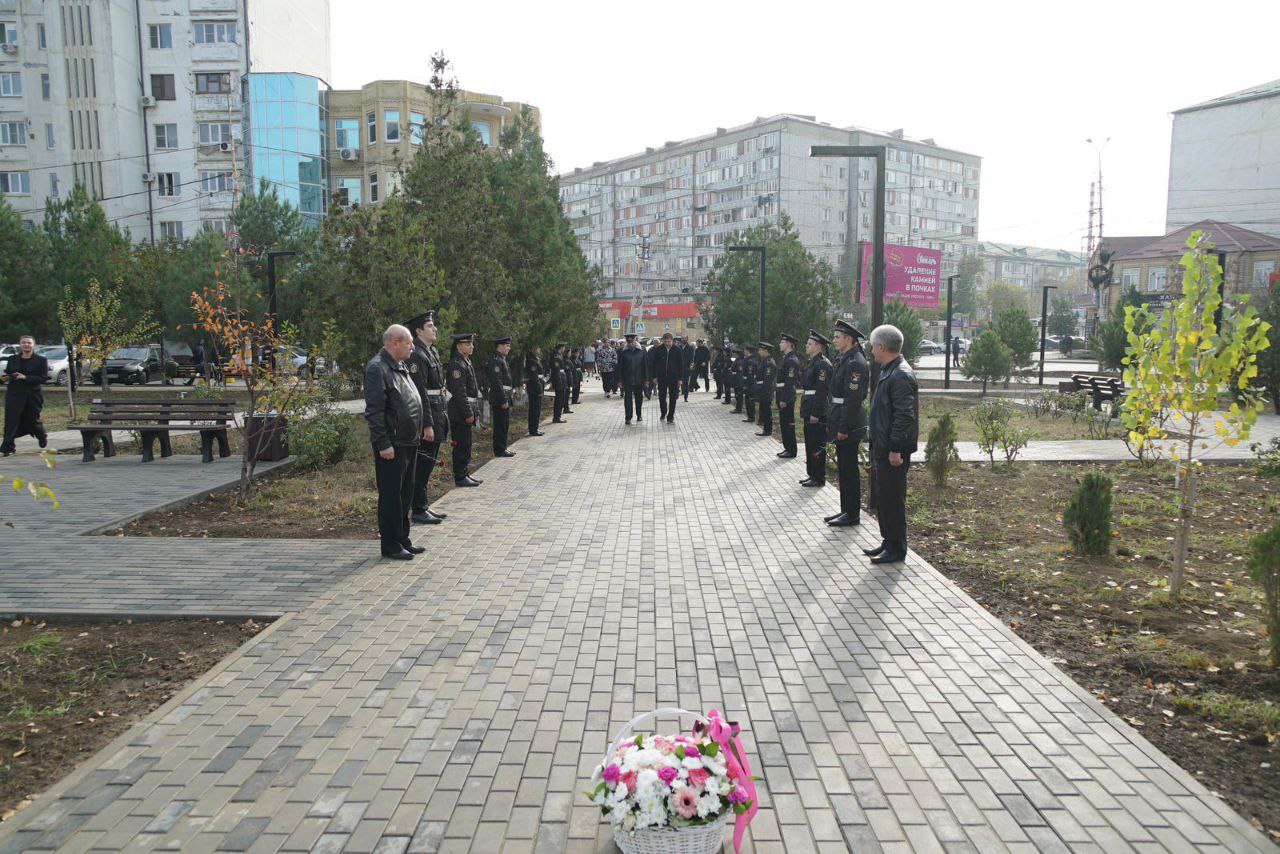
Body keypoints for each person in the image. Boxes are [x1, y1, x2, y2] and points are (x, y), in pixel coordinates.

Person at [363, 325, 425, 560]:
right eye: (409, 343)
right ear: (395, 343)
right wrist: (383, 443)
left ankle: (402, 539)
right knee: (391, 495)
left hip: (408, 440)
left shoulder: (398, 365)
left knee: (405, 494)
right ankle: (390, 544)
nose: (412, 347)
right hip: (393, 443)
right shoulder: (377, 368)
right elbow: (375, 411)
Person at [865, 324, 919, 563]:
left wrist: (896, 448)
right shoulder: (890, 370)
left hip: (893, 451)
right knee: (884, 498)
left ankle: (896, 548)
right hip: (884, 447)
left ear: (881, 347)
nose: (871, 351)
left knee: (893, 499)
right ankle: (888, 542)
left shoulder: (900, 375)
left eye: (872, 346)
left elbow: (904, 416)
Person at [405, 311, 450, 526]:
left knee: (428, 463)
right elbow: (420, 393)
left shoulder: (430, 352)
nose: (435, 329)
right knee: (422, 464)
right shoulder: (416, 355)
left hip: (437, 412)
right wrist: (427, 424)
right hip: (428, 416)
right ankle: (418, 509)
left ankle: (423, 505)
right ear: (418, 331)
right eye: (430, 326)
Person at [824, 319, 870, 528]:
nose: (833, 340)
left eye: (837, 337)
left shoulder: (855, 363)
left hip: (849, 423)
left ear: (849, 339)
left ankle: (852, 514)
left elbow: (852, 399)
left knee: (849, 471)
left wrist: (843, 427)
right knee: (844, 469)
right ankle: (846, 510)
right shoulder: (845, 359)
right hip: (840, 417)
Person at [1, 336, 49, 456]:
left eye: (29, 343)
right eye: (23, 343)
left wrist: (25, 377)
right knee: (11, 421)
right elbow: (8, 373)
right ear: (20, 345)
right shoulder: (12, 359)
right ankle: (8, 447)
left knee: (32, 420)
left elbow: (43, 378)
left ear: (33, 345)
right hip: (14, 394)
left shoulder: (41, 360)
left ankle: (41, 435)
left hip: (33, 395)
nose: (26, 345)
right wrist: (5, 378)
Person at [447, 333, 483, 487]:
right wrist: (468, 413)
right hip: (459, 412)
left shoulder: (465, 362)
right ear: (458, 346)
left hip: (466, 409)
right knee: (461, 445)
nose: (471, 346)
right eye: (468, 344)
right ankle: (460, 476)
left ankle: (465, 473)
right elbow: (459, 392)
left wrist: (475, 412)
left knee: (466, 444)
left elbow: (472, 392)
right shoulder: (457, 364)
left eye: (471, 344)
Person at [799, 330, 833, 488]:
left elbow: (821, 390)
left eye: (809, 344)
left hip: (816, 409)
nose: (806, 346)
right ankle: (812, 474)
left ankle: (818, 477)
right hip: (809, 405)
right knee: (810, 443)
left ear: (818, 346)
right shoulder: (812, 362)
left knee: (816, 445)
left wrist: (816, 413)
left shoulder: (822, 364)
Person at [487, 336, 516, 458]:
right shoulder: (496, 360)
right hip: (500, 398)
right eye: (507, 346)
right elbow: (497, 382)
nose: (509, 348)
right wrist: (503, 400)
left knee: (505, 424)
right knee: (500, 424)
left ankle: (503, 447)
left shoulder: (502, 359)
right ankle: (499, 449)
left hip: (505, 396)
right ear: (500, 346)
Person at [775, 334, 801, 458]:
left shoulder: (792, 361)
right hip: (782, 394)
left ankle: (791, 450)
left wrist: (784, 399)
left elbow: (789, 382)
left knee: (788, 424)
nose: (780, 344)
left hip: (787, 397)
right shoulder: (786, 358)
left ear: (789, 344)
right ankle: (787, 448)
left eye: (782, 342)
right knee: (784, 424)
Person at [651, 332, 683, 423]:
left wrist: (680, 379)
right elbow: (654, 364)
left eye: (669, 341)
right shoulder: (659, 349)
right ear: (663, 341)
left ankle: (670, 416)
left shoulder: (677, 350)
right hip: (662, 377)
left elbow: (680, 365)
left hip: (674, 377)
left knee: (673, 397)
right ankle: (663, 412)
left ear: (672, 341)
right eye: (665, 341)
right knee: (662, 396)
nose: (667, 343)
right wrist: (654, 376)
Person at [617, 332, 647, 424]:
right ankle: (628, 417)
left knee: (639, 398)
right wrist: (619, 380)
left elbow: (646, 365)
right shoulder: (622, 351)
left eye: (632, 341)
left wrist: (646, 379)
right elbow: (619, 367)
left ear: (635, 340)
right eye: (628, 341)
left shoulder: (642, 350)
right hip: (627, 379)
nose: (630, 343)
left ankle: (639, 415)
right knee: (628, 400)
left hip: (639, 379)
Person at [753, 341, 777, 437]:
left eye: (760, 350)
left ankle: (768, 430)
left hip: (766, 391)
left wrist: (764, 393)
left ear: (765, 351)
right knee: (764, 410)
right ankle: (765, 429)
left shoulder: (769, 363)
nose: (759, 352)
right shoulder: (764, 361)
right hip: (762, 390)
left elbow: (767, 380)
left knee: (767, 411)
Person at [524, 346, 547, 436]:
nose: (539, 350)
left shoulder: (536, 360)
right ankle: (533, 430)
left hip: (537, 387)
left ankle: (535, 428)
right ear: (533, 350)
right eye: (538, 348)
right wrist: (539, 390)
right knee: (534, 410)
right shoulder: (531, 361)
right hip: (534, 389)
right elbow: (534, 378)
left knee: (537, 409)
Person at [549, 343, 568, 423]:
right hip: (558, 380)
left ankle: (558, 416)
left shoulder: (559, 355)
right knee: (559, 399)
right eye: (564, 347)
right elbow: (556, 371)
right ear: (561, 347)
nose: (564, 349)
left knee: (561, 399)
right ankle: (556, 417)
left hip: (561, 379)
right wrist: (559, 382)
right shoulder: (556, 356)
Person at [742, 346, 758, 423]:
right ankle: (750, 416)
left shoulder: (750, 361)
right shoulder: (749, 360)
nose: (744, 352)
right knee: (748, 401)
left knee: (750, 402)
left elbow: (750, 375)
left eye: (745, 350)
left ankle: (751, 417)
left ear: (748, 351)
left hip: (750, 385)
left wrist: (746, 385)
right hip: (749, 384)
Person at [729, 346, 745, 412]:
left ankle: (738, 409)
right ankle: (738, 408)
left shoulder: (740, 361)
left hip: (739, 381)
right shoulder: (737, 360)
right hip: (737, 380)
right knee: (737, 395)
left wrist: (739, 383)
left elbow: (740, 372)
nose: (734, 355)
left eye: (734, 353)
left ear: (737, 354)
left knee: (739, 395)